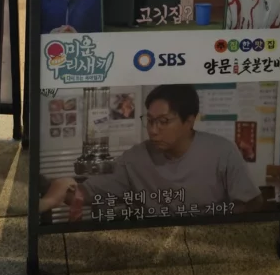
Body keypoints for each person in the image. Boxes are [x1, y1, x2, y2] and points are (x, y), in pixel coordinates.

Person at [38, 85, 267, 218]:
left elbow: (252, 202)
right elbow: (86, 193)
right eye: (149, 121)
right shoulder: (136, 158)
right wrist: (60, 187)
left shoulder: (221, 151)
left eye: (164, 121)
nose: (153, 131)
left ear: (189, 121)